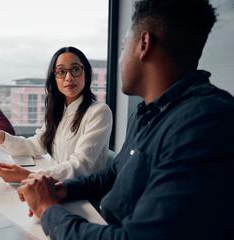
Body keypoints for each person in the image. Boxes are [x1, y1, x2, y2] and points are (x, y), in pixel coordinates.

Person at [16, 0, 234, 239]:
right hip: (100, 218)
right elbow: (113, 175)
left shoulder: (205, 125)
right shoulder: (146, 113)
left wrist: (48, 210)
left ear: (143, 44)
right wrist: (63, 189)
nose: (120, 59)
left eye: (122, 47)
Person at [0, 47, 113, 183]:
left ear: (86, 74)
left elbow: (81, 166)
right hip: (54, 185)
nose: (69, 77)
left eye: (76, 69)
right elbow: (36, 145)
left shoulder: (99, 112)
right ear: (54, 78)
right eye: (61, 72)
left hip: (81, 194)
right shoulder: (59, 110)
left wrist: (29, 176)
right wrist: (2, 138)